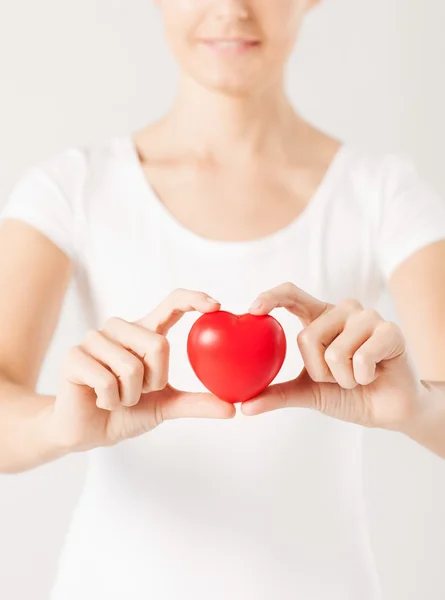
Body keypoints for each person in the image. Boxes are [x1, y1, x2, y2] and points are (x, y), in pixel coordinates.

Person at [0, 0, 444, 598]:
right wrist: (56, 424)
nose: (231, 9)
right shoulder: (70, 189)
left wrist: (418, 406)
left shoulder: (384, 194)